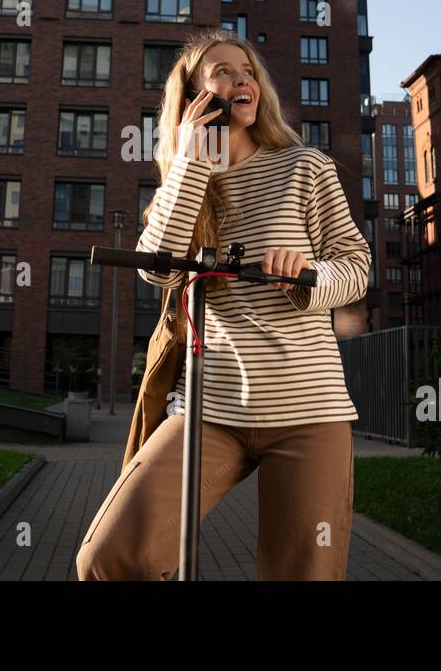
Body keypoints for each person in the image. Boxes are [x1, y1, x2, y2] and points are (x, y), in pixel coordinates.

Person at [75, 28, 371, 581]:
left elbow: (356, 267)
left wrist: (307, 278)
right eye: (223, 71)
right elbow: (154, 266)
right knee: (110, 557)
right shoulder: (187, 178)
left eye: (248, 71)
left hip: (307, 409)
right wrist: (192, 159)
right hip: (208, 408)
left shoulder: (306, 166)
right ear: (193, 96)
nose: (242, 80)